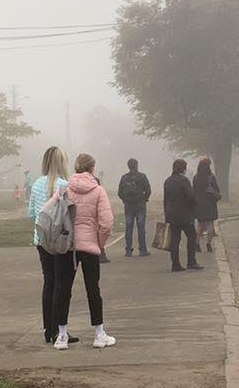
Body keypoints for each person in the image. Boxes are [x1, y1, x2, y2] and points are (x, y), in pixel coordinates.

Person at [28, 145, 77, 346]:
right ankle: (60, 328)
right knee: (61, 284)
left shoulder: (37, 184)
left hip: (41, 240)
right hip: (60, 241)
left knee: (48, 283)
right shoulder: (64, 184)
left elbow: (32, 213)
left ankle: (49, 329)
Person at [68, 153, 116, 349]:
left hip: (69, 246)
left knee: (64, 289)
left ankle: (61, 333)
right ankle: (98, 333)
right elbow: (106, 223)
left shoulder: (66, 188)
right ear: (92, 169)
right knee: (93, 290)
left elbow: (48, 212)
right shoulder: (98, 190)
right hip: (89, 245)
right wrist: (99, 243)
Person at [163, 158, 202, 272]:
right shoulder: (184, 181)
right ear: (183, 169)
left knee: (175, 239)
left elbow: (165, 199)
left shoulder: (168, 180)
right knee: (192, 236)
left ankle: (175, 264)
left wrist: (166, 213)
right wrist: (194, 206)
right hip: (184, 214)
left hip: (171, 214)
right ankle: (191, 262)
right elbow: (190, 196)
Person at [117, 158, 152, 256]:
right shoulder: (142, 176)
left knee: (129, 228)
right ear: (137, 165)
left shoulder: (124, 178)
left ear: (128, 166)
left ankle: (128, 250)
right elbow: (148, 190)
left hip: (128, 206)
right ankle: (142, 250)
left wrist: (125, 200)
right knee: (141, 228)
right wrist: (144, 199)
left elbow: (120, 192)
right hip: (140, 205)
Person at [192, 156, 222, 253]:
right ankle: (208, 244)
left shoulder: (196, 177)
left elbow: (194, 191)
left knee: (200, 224)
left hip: (199, 203)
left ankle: (196, 243)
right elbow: (217, 190)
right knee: (210, 224)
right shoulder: (211, 177)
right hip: (210, 203)